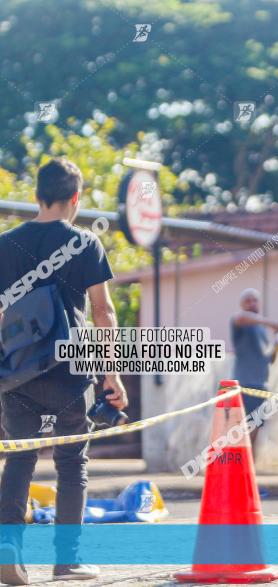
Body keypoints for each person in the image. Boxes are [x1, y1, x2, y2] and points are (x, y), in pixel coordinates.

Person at [0, 158, 128, 584]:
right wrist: (111, 375)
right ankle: (67, 560)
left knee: (19, 459)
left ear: (37, 195)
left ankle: (8, 552)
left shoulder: (5, 244)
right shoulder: (86, 243)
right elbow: (103, 312)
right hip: (71, 371)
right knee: (72, 461)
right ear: (75, 198)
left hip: (17, 372)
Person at [230, 288, 278, 458]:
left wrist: (277, 345)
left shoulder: (261, 330)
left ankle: (249, 476)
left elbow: (270, 359)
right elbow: (241, 317)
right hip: (245, 385)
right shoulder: (239, 321)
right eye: (248, 300)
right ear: (241, 305)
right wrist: (270, 323)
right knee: (244, 432)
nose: (252, 303)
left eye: (254, 300)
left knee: (255, 433)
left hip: (261, 386)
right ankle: (241, 475)